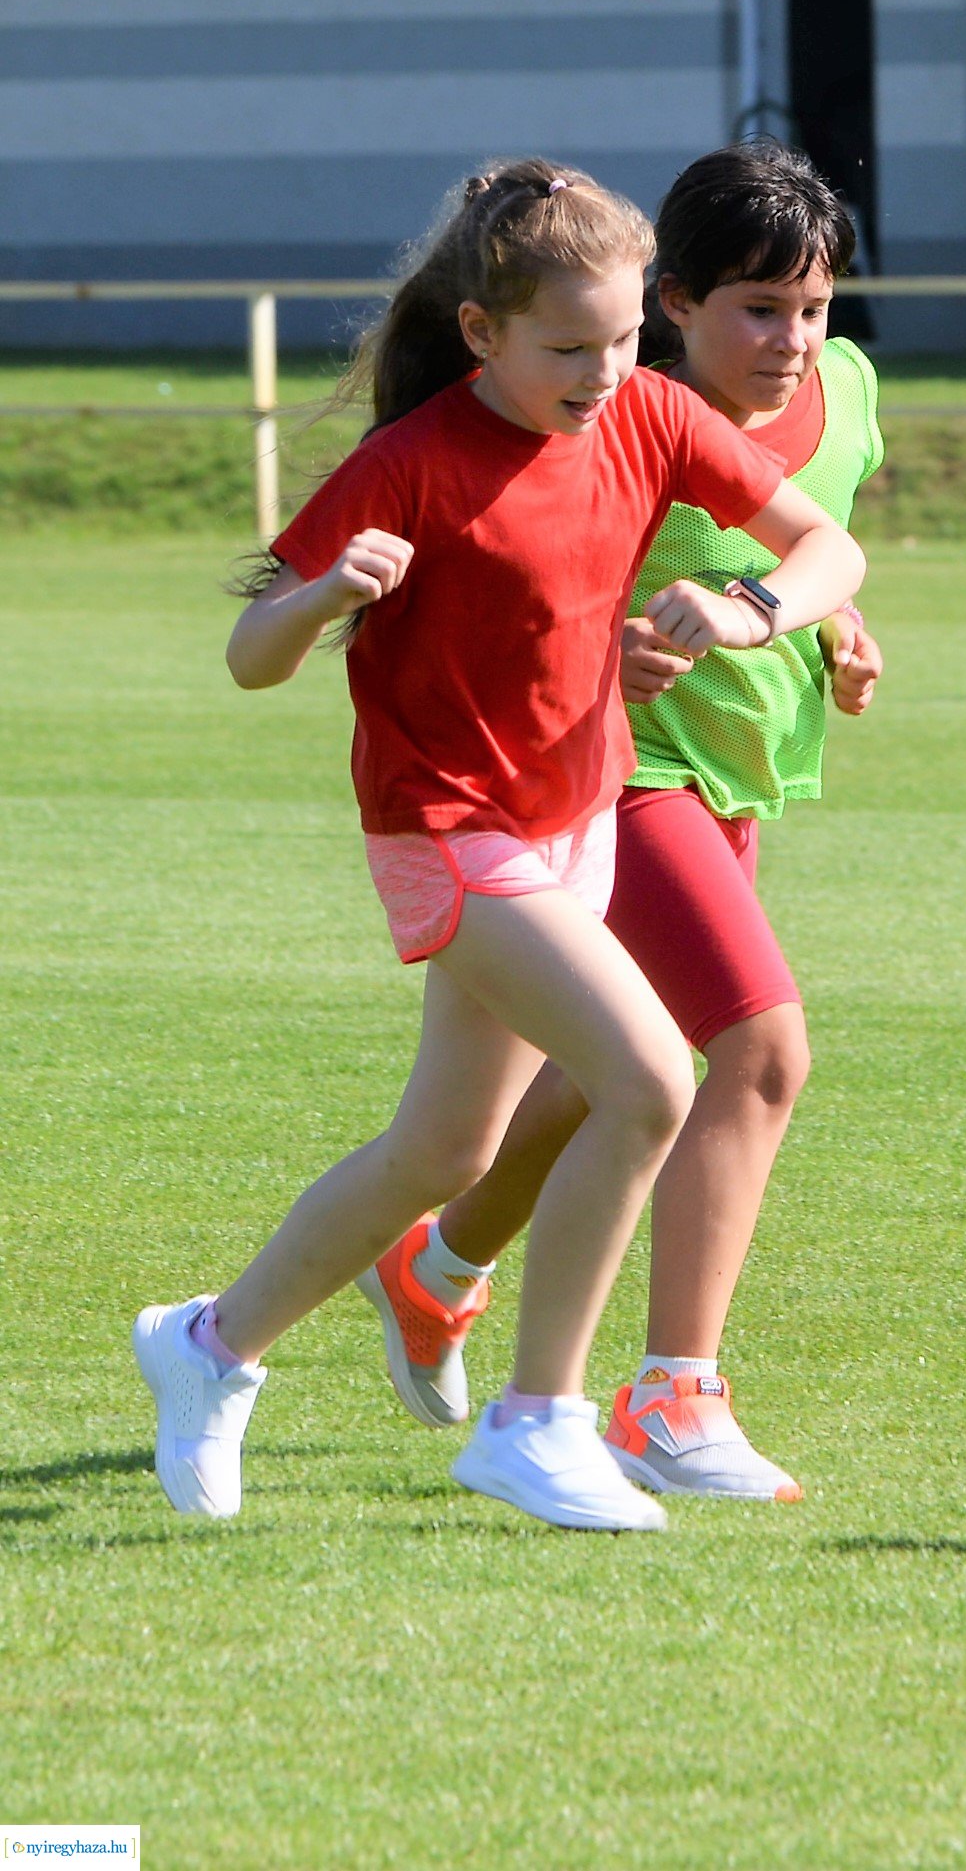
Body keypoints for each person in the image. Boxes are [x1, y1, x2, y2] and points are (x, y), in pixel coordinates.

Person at [132, 157, 865, 1532]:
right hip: (447, 832)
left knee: (443, 1153)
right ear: (483, 331)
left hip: (571, 824)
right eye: (567, 347)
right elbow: (248, 653)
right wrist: (323, 598)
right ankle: (541, 1420)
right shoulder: (409, 461)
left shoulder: (647, 412)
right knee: (651, 1073)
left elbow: (829, 546)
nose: (604, 371)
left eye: (626, 338)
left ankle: (208, 1345)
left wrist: (756, 607)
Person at [359, 140, 883, 1501]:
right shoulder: (611, 411)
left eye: (812, 305)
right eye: (756, 308)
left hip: (742, 774)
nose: (790, 337)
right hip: (619, 780)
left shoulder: (850, 394)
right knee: (759, 1053)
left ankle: (440, 1259)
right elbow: (535, 595)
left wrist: (829, 623)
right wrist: (624, 654)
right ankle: (670, 1394)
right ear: (678, 305)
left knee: (604, 1076)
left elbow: (805, 543)